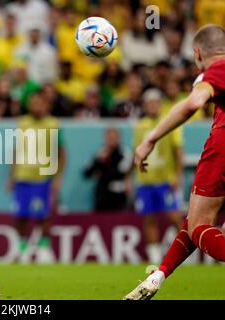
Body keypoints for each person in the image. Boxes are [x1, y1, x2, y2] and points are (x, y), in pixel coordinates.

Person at [124, 24, 225, 300]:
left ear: (197, 53)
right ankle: (158, 275)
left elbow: (193, 103)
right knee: (195, 221)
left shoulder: (216, 70)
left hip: (223, 147)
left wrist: (151, 138)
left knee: (200, 226)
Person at [7, 89, 66, 264]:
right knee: (21, 215)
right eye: (32, 103)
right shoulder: (23, 123)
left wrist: (58, 177)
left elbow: (61, 153)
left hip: (43, 178)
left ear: (45, 104)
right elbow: (17, 150)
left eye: (39, 102)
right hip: (22, 177)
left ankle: (44, 249)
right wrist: (12, 176)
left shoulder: (53, 124)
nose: (36, 106)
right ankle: (23, 249)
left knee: (43, 214)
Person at [133, 89, 183, 264]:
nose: (153, 106)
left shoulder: (169, 122)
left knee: (174, 216)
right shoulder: (140, 126)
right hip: (145, 181)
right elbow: (138, 151)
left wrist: (178, 175)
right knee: (148, 218)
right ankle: (154, 256)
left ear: (160, 105)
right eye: (149, 103)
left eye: (155, 102)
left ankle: (183, 254)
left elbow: (178, 151)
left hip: (165, 180)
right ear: (145, 106)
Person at [83, 127, 132, 212]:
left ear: (119, 138)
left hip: (118, 197)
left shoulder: (125, 153)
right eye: (109, 138)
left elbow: (120, 172)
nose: (111, 141)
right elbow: (86, 173)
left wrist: (102, 170)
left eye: (113, 138)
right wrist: (98, 161)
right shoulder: (100, 153)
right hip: (101, 196)